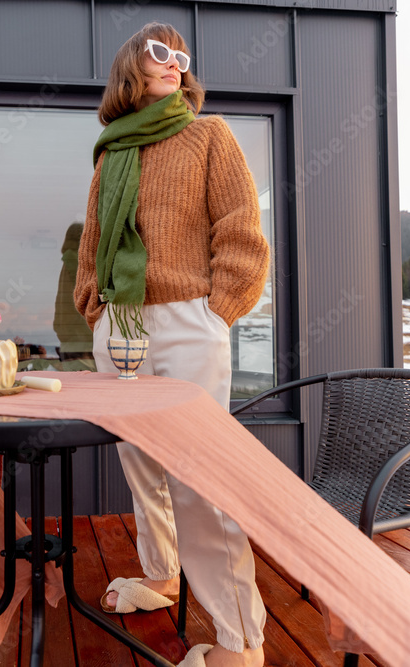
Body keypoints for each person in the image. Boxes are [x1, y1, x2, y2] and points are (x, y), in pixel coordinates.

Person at [73, 22, 270, 667]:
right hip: (122, 322)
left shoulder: (209, 134)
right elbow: (94, 242)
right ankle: (160, 576)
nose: (173, 63)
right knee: (140, 462)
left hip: (189, 319)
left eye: (181, 56)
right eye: (160, 52)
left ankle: (241, 641)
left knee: (198, 479)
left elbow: (241, 227)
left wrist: (216, 313)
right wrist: (95, 310)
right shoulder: (111, 153)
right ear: (133, 65)